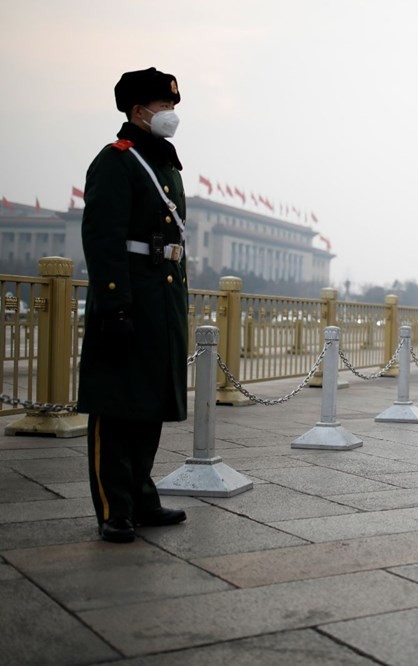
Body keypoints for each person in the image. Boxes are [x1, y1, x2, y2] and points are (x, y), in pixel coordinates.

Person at [78, 68, 189, 543]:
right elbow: (103, 240)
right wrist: (114, 305)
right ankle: (113, 507)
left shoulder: (164, 163)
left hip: (159, 301)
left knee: (148, 404)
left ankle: (142, 497)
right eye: (163, 108)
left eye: (171, 107)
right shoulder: (116, 161)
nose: (170, 115)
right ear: (137, 111)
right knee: (116, 405)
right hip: (127, 300)